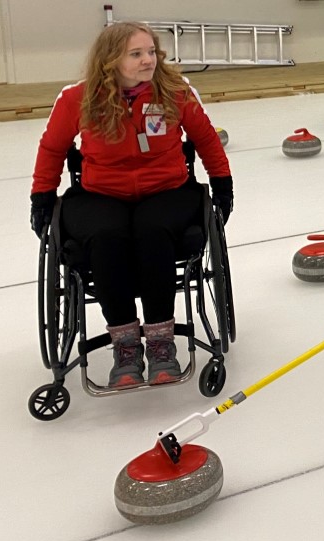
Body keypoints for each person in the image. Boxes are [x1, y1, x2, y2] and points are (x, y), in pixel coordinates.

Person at [30, 22, 233, 388]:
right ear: (111, 61)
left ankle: (160, 341)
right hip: (100, 193)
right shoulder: (78, 99)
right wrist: (42, 198)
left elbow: (205, 139)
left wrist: (222, 184)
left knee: (152, 232)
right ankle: (124, 345)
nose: (148, 61)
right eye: (136, 54)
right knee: (107, 236)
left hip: (167, 189)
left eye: (151, 52)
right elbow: (52, 149)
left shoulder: (174, 91)